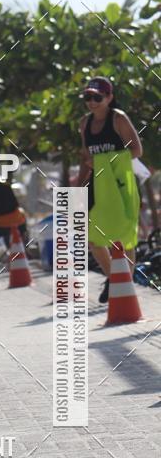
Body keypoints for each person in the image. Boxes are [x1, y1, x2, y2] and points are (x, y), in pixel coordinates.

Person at [77, 77, 141, 304]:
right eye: (88, 97)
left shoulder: (118, 119)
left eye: (97, 97)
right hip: (97, 184)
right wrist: (77, 187)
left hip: (120, 183)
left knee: (125, 237)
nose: (92, 102)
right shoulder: (85, 123)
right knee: (92, 238)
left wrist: (105, 160)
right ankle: (114, 279)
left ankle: (126, 286)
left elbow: (136, 150)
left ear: (109, 98)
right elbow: (86, 158)